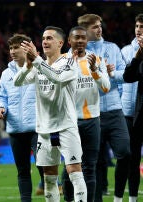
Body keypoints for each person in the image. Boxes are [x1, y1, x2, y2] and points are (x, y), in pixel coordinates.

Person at [13, 26, 87, 202]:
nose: (45, 41)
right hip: (44, 130)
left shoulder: (69, 61)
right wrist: (28, 65)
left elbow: (58, 78)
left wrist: (37, 61)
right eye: (44, 38)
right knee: (49, 177)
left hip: (66, 127)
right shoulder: (39, 65)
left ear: (60, 43)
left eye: (49, 38)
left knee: (74, 173)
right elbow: (17, 82)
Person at [78, 14, 131, 202]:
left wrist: (112, 73)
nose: (99, 29)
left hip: (115, 110)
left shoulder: (113, 48)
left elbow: (126, 75)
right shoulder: (79, 53)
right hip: (93, 113)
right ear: (85, 31)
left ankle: (117, 197)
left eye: (99, 26)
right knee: (95, 162)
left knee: (125, 152)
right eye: (94, 27)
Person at [61, 26, 111, 202]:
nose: (80, 41)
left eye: (83, 38)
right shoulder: (61, 60)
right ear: (69, 41)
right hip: (69, 123)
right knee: (69, 168)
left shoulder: (95, 59)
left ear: (87, 41)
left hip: (92, 121)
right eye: (76, 38)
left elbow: (106, 87)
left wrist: (95, 71)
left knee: (89, 166)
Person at [0, 33, 44, 201]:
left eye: (16, 48)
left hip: (37, 127)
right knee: (22, 171)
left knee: (43, 166)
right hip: (15, 128)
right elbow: (2, 96)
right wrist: (1, 108)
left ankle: (50, 187)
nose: (12, 51)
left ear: (27, 49)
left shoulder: (40, 68)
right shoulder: (5, 74)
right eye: (11, 48)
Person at [121, 14, 143, 202]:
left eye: (142, 26)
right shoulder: (126, 51)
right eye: (137, 25)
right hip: (130, 113)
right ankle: (133, 198)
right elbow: (125, 79)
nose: (138, 30)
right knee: (132, 159)